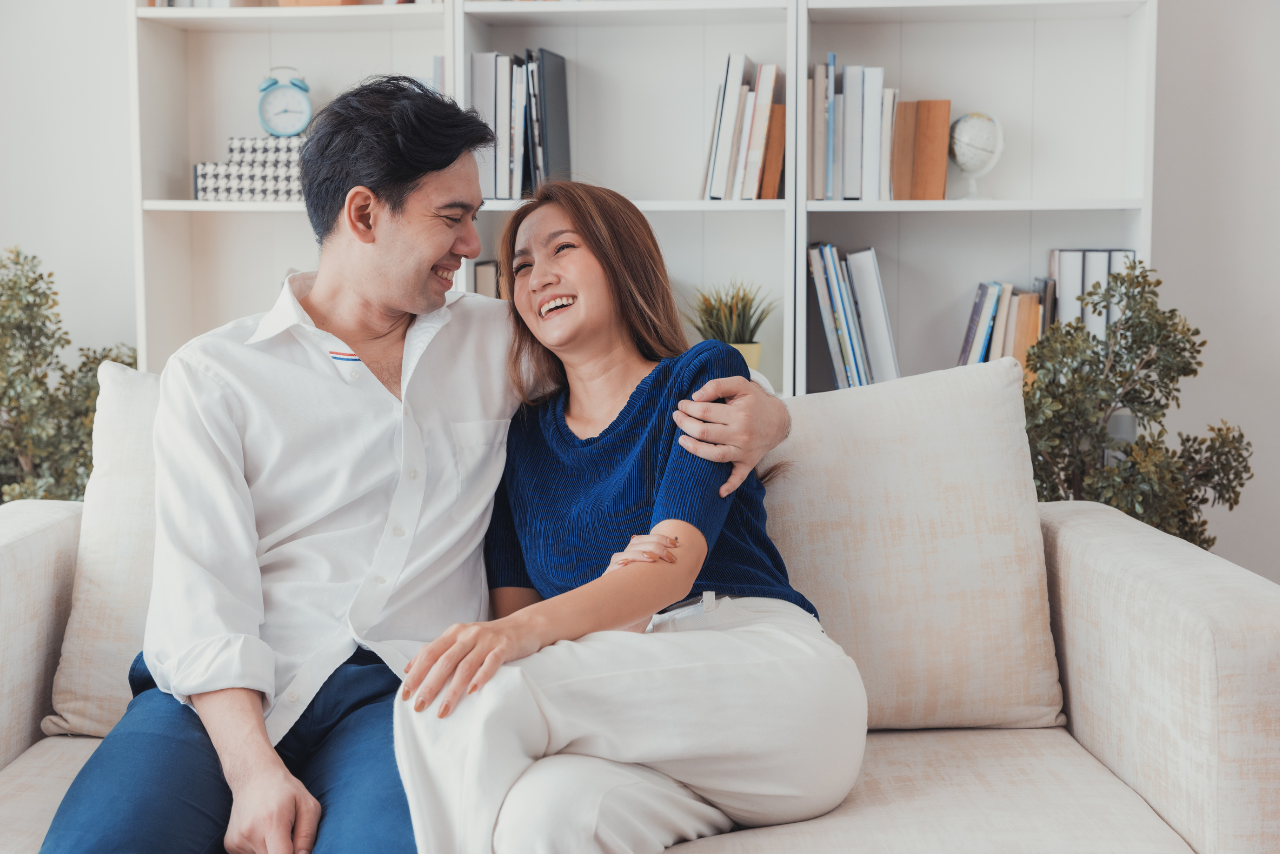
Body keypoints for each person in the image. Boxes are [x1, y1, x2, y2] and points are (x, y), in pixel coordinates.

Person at [39, 77, 791, 854]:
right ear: (365, 214)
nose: (475, 247)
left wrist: (770, 411)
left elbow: (642, 382)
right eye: (453, 217)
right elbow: (203, 597)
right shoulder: (214, 374)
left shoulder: (504, 341)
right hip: (215, 705)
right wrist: (254, 772)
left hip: (403, 699)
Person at [393, 182, 868, 854]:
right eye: (522, 265)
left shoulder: (699, 378)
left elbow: (669, 565)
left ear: (620, 261)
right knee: (541, 818)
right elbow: (524, 608)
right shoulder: (521, 444)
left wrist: (531, 630)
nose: (539, 275)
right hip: (642, 733)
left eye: (564, 248)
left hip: (767, 680)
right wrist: (603, 614)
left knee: (461, 690)